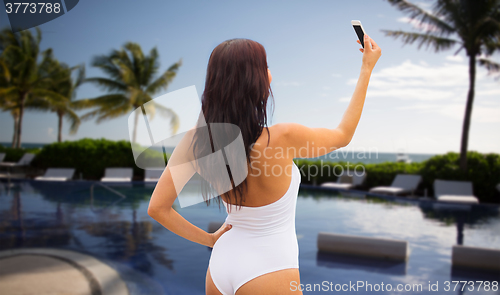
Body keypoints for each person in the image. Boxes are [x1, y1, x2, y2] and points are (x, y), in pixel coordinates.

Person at [148, 34, 381, 295]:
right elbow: (343, 135)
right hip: (269, 268)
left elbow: (157, 208)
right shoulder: (284, 137)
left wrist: (211, 240)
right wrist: (367, 67)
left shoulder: (198, 139)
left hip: (221, 264)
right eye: (266, 67)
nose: (270, 72)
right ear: (255, 80)